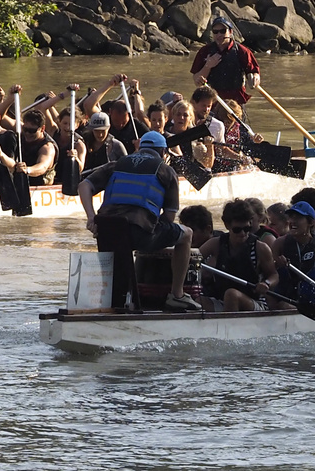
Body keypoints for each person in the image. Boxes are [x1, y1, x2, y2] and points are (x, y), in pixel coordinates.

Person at [78, 131, 198, 312]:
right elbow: (169, 218)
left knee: (116, 269)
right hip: (138, 233)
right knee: (186, 234)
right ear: (163, 152)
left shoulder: (116, 164)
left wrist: (91, 217)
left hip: (106, 231)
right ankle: (177, 295)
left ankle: (116, 302)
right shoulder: (166, 170)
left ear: (140, 149)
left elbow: (83, 185)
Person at [200, 200, 277, 312]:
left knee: (232, 295)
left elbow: (274, 275)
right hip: (222, 301)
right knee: (197, 301)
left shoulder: (260, 248)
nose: (243, 234)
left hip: (254, 303)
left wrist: (266, 283)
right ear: (227, 225)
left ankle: (228, 328)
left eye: (247, 229)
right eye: (237, 230)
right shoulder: (215, 244)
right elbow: (192, 257)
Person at [190, 17, 261, 106]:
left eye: (223, 31)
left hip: (235, 102)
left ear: (230, 32)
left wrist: (255, 79)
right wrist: (208, 66)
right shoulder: (205, 51)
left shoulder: (242, 51)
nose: (219, 35)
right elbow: (196, 80)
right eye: (215, 32)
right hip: (212, 101)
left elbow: (254, 72)